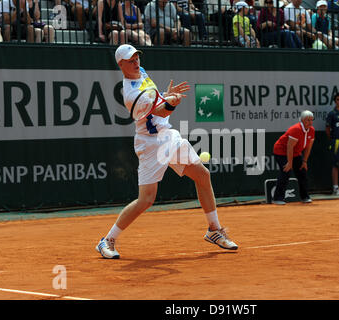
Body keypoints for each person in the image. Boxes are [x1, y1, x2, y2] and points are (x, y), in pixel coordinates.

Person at [95, 44, 238, 259]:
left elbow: (156, 101)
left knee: (202, 175)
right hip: (150, 144)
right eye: (130, 60)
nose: (136, 63)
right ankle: (108, 240)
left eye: (137, 58)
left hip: (168, 136)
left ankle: (214, 230)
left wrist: (165, 95)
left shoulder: (141, 72)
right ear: (121, 64)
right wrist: (171, 103)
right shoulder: (132, 95)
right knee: (146, 200)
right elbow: (158, 110)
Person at [272, 110, 315, 205]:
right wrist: (290, 163)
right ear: (303, 120)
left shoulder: (312, 130)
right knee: (286, 172)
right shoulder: (296, 129)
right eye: (308, 120)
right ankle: (277, 198)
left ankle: (305, 197)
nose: (310, 122)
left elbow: (308, 147)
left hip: (296, 153)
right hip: (281, 151)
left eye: (312, 120)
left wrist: (304, 161)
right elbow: (289, 147)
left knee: (302, 172)